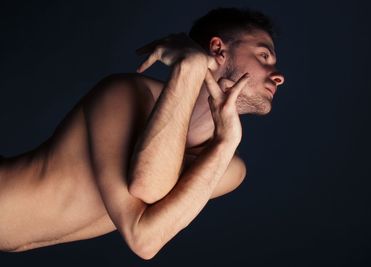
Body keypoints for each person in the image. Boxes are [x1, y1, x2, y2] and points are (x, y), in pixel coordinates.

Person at [0, 7, 284, 259]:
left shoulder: (229, 166)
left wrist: (227, 142)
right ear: (217, 50)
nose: (278, 75)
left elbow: (148, 224)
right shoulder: (125, 94)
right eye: (264, 56)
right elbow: (144, 213)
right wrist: (190, 68)